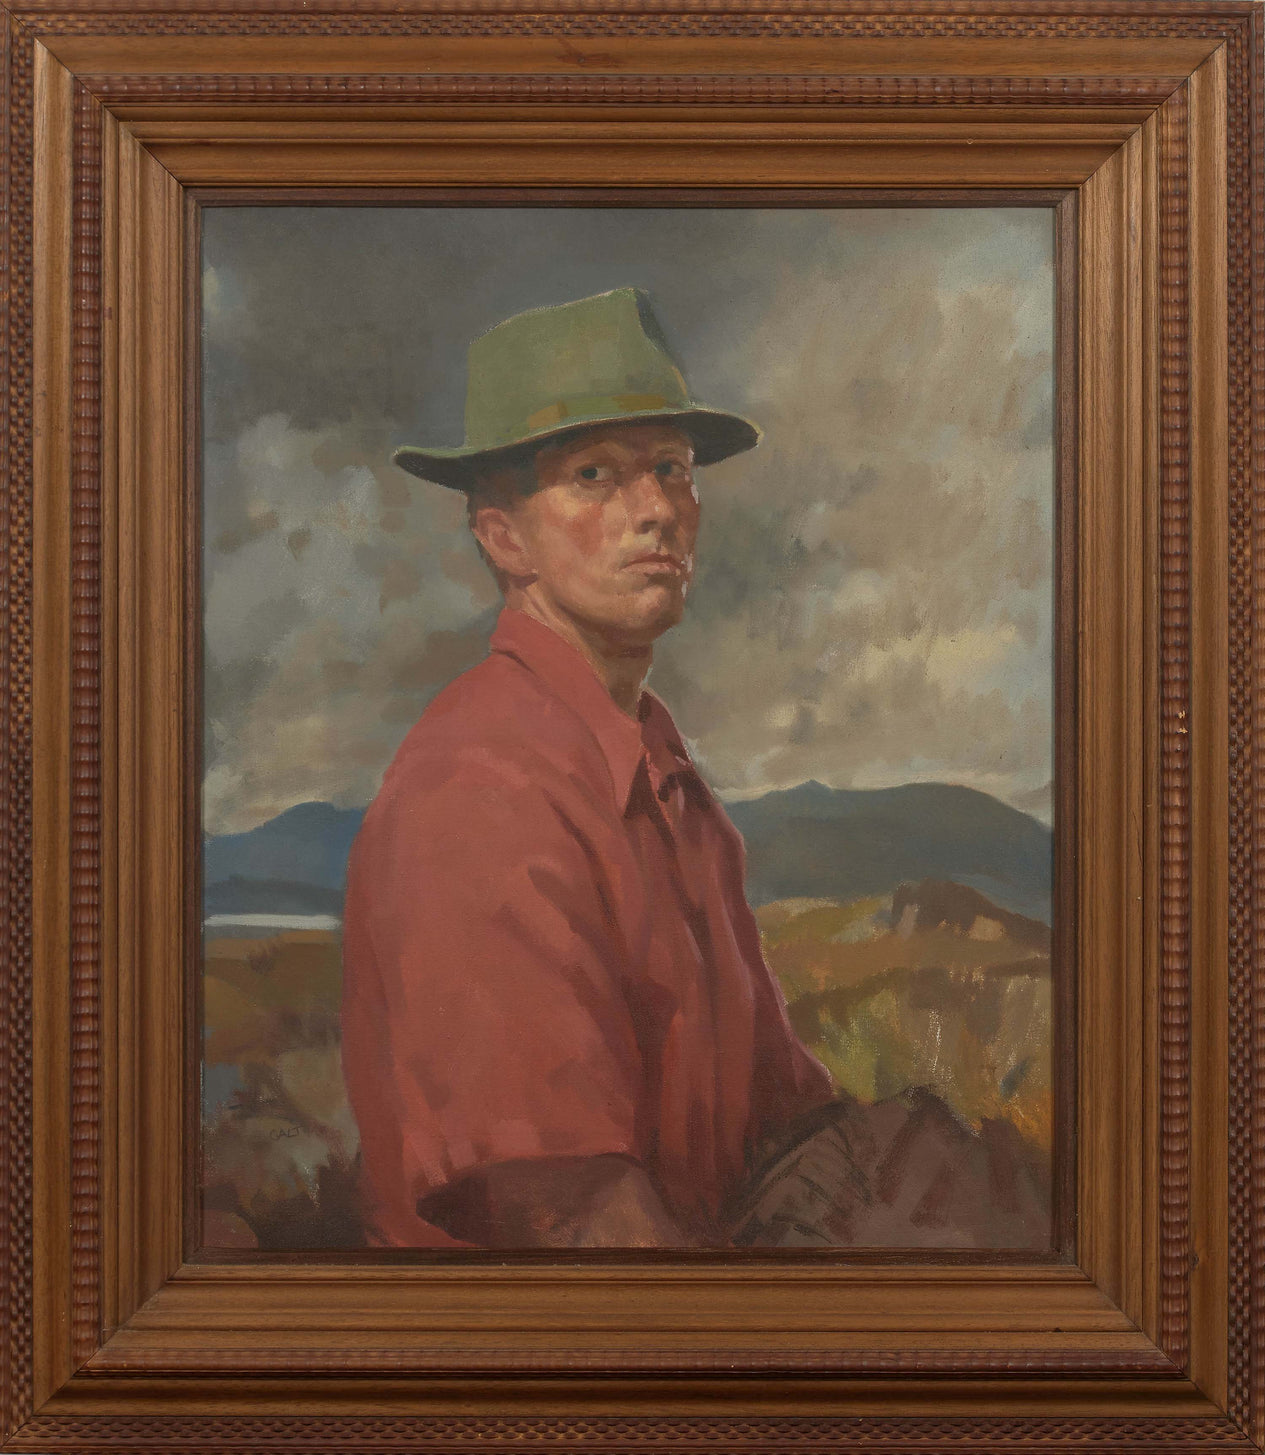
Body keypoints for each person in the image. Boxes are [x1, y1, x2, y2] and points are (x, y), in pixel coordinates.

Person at [340, 288, 1051, 1251]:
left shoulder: (664, 775)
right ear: (504, 537)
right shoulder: (478, 787)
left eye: (671, 469)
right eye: (595, 474)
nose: (657, 511)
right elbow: (572, 1213)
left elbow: (783, 1125)